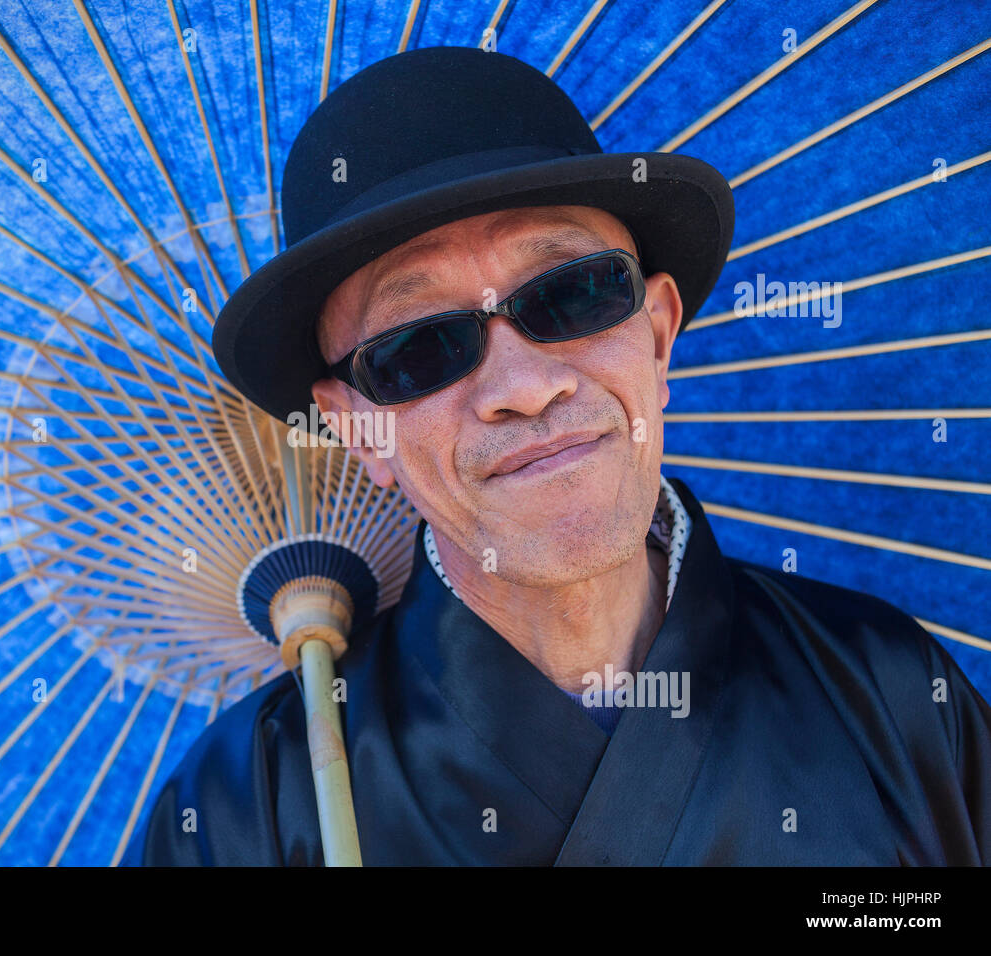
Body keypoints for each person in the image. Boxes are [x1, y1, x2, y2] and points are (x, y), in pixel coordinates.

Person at [125, 46, 991, 866]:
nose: (526, 385)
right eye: (421, 347)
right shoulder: (252, 813)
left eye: (574, 294)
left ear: (656, 337)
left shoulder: (891, 696)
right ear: (359, 430)